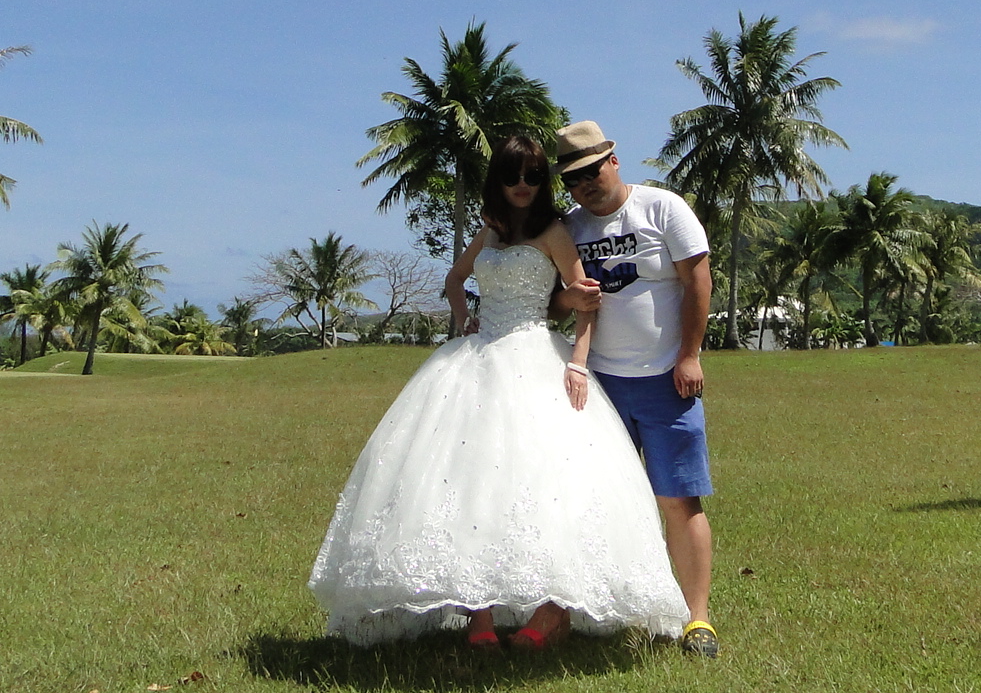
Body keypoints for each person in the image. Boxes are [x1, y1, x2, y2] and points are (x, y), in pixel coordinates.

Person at [308, 135, 689, 649]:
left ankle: (551, 608)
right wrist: (463, 318)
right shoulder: (488, 232)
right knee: (465, 479)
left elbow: (585, 300)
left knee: (545, 479)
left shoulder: (555, 232)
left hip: (536, 355)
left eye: (533, 177)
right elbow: (455, 278)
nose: (523, 186)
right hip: (476, 360)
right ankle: (478, 614)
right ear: (498, 182)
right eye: (512, 177)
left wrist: (578, 363)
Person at [554, 120, 720, 659]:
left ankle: (697, 619)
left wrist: (689, 354)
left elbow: (699, 280)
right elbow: (551, 299)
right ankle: (604, 606)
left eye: (591, 171)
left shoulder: (663, 209)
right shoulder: (568, 228)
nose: (584, 185)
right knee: (598, 501)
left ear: (614, 161)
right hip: (597, 385)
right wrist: (566, 301)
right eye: (573, 179)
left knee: (678, 499)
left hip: (665, 380)